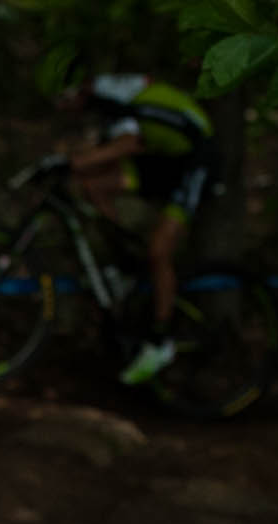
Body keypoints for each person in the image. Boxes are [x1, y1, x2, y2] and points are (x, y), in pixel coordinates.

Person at [56, 72, 217, 385]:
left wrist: (74, 162)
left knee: (159, 251)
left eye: (63, 100)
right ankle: (125, 264)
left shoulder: (109, 98)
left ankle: (161, 340)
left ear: (78, 92)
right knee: (93, 188)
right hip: (163, 157)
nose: (64, 108)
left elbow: (129, 143)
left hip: (196, 160)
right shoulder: (111, 88)